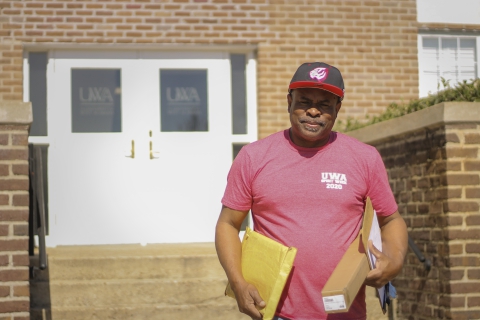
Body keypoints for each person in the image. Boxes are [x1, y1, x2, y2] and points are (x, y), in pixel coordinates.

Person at [215, 62, 408, 320]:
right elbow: (228, 224)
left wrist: (393, 262)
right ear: (289, 102)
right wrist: (237, 281)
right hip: (276, 313)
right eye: (305, 101)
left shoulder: (364, 158)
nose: (314, 111)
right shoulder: (254, 157)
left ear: (337, 109)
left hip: (344, 312)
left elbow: (391, 220)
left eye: (325, 104)